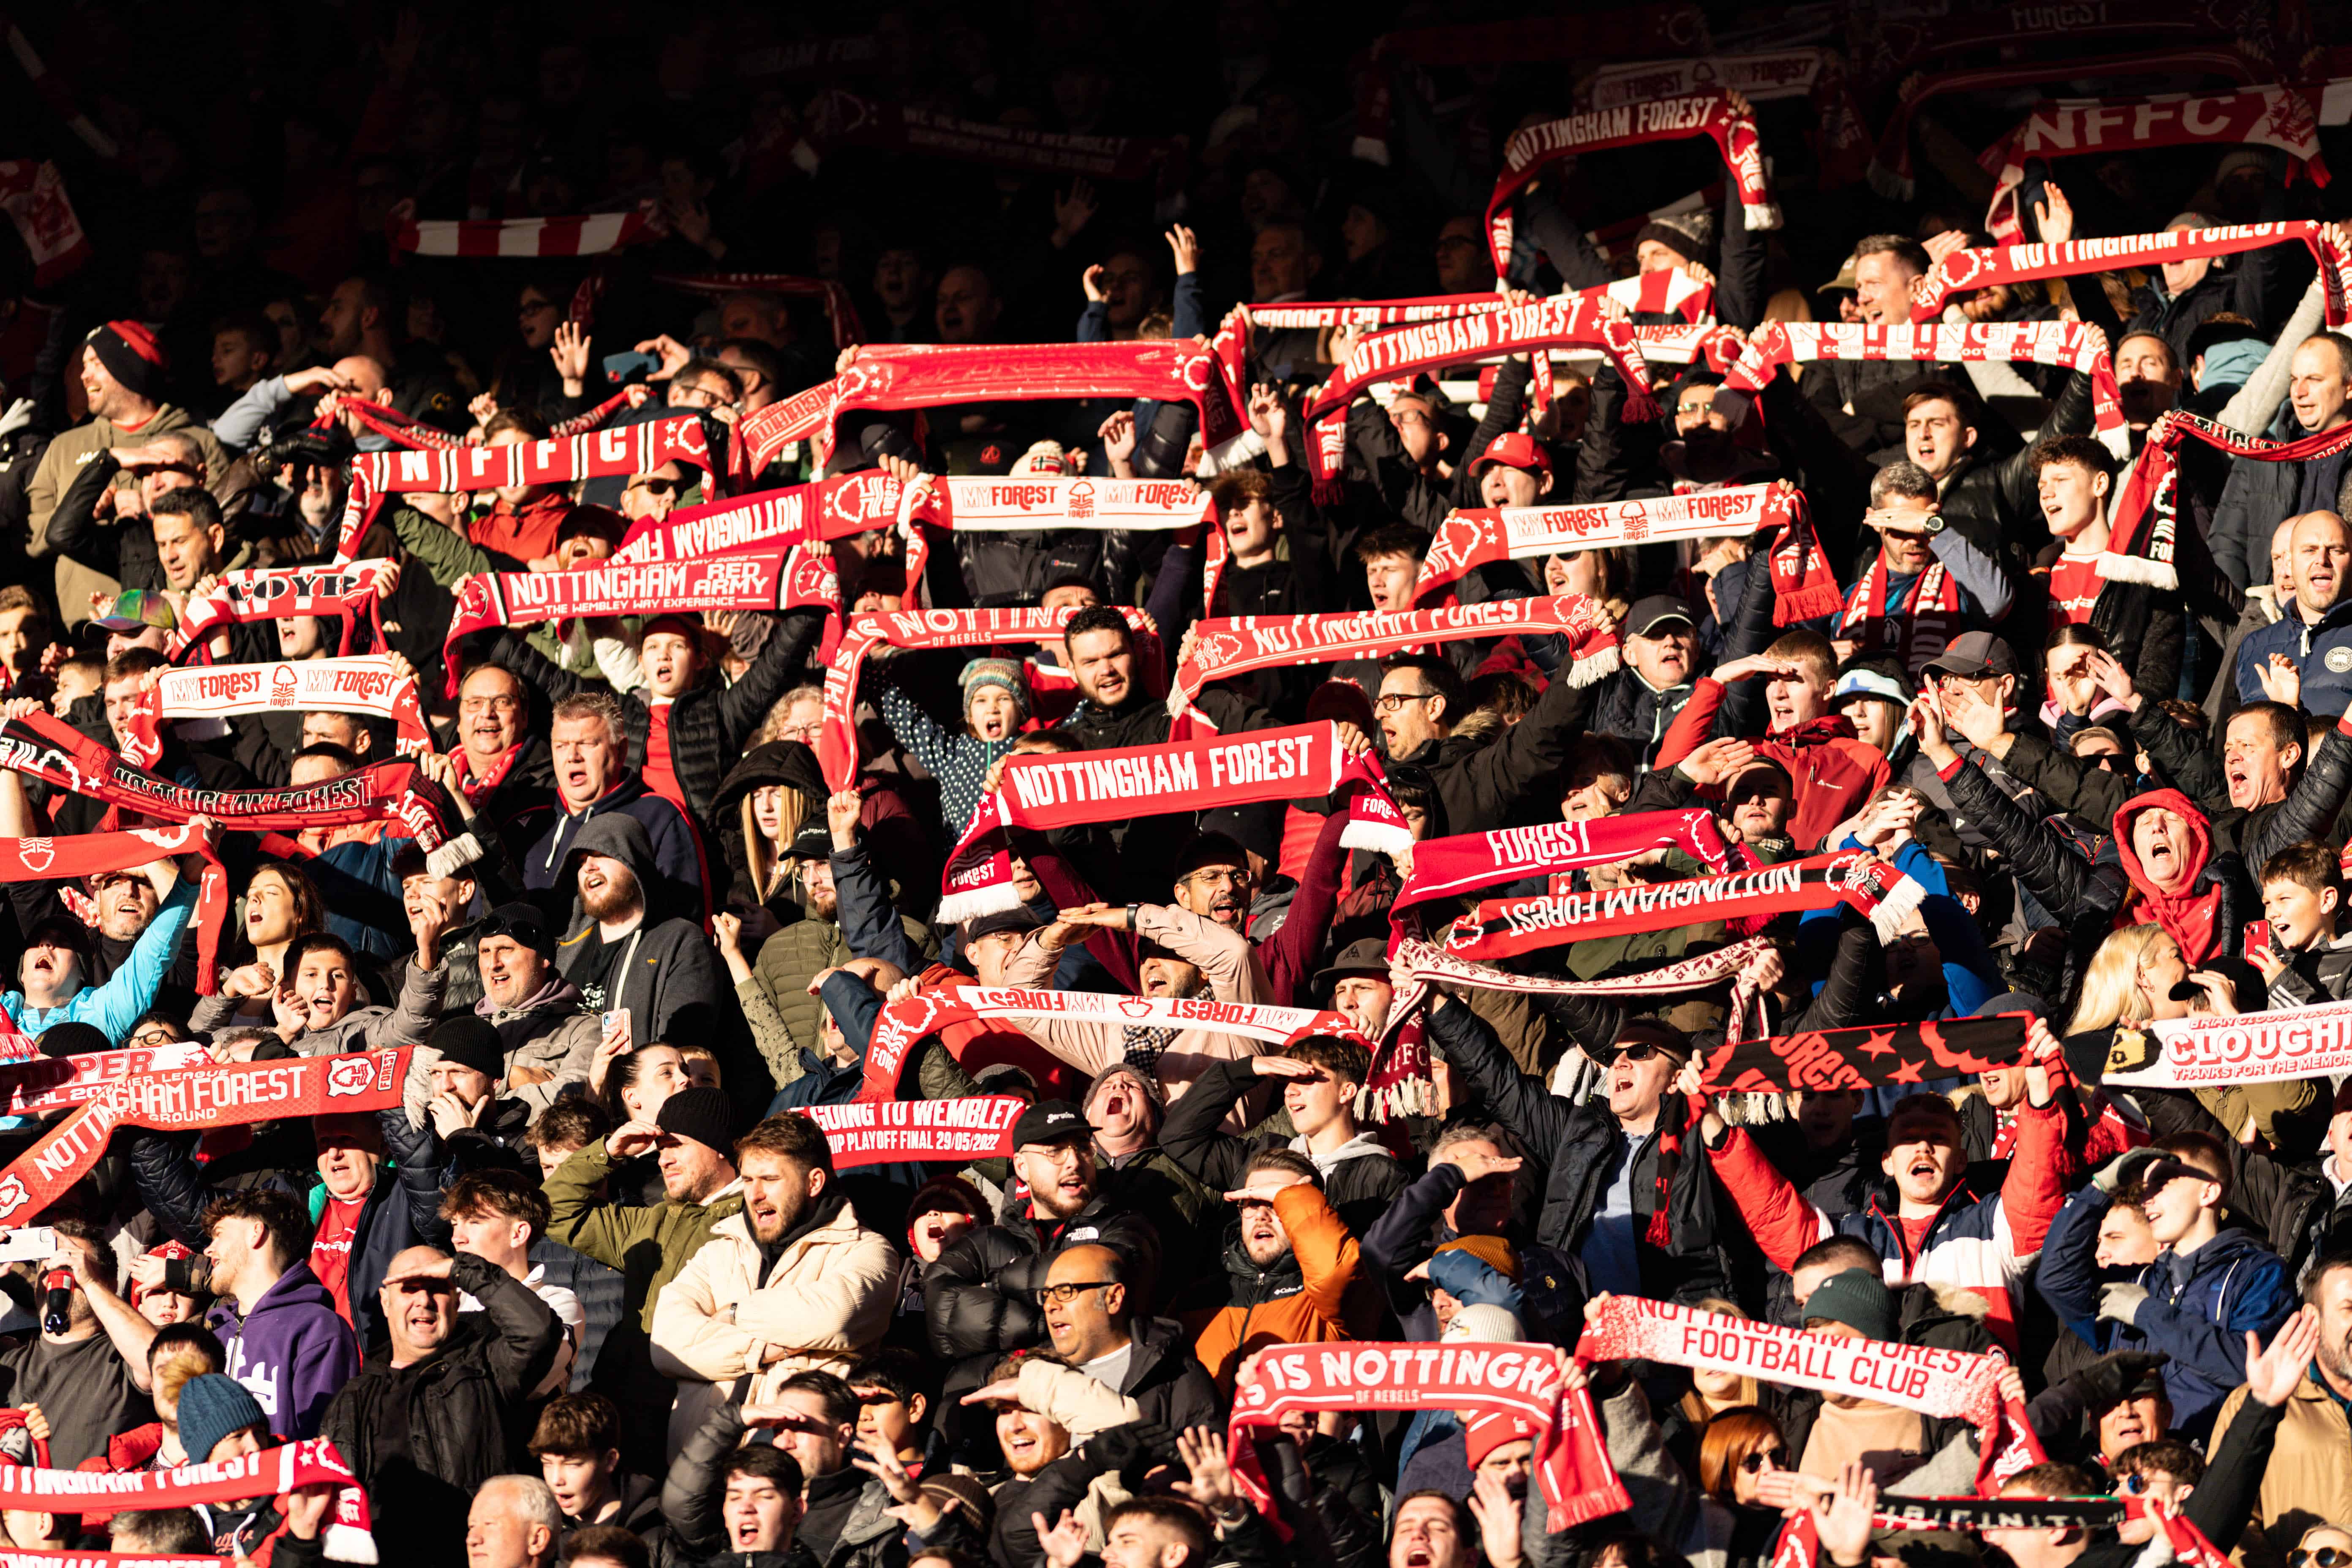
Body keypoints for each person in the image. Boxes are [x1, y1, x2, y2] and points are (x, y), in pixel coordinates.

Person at [319, 1245, 564, 1564]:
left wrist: (465, 1270)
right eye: (410, 1288)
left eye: (437, 1287)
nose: (424, 1300)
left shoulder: (488, 1367)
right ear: (385, 1301)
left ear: (458, 1299)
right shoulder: (351, 1398)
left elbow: (539, 1332)